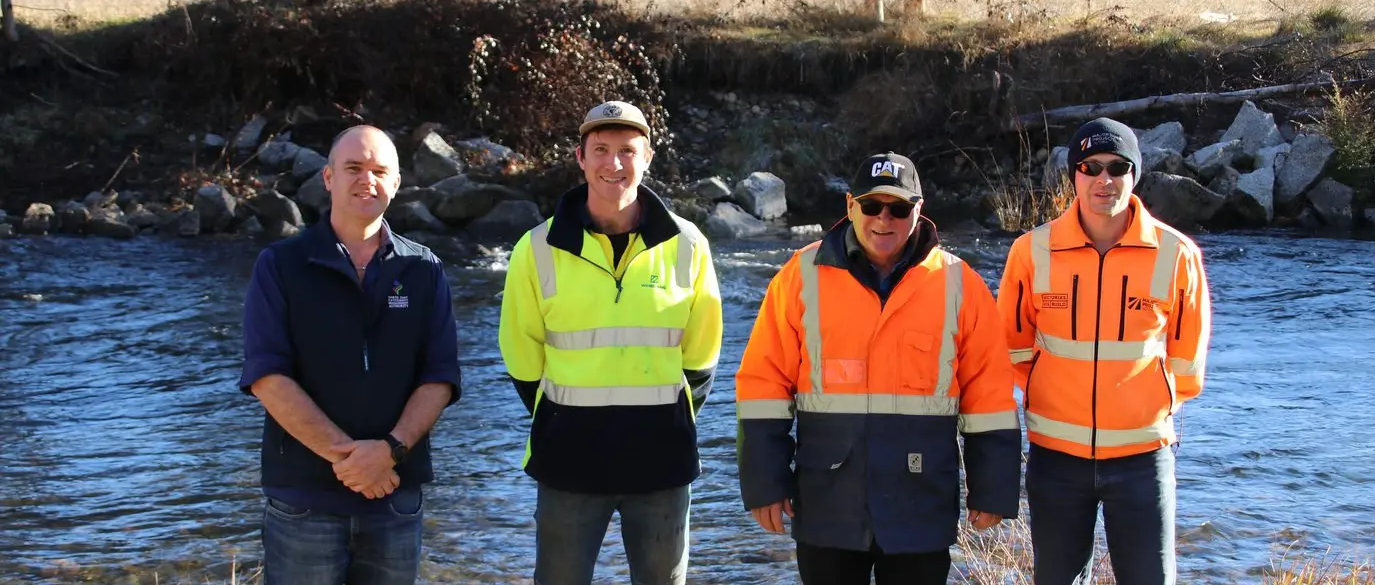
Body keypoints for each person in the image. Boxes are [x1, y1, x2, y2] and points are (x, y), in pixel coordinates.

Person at [736, 152, 1022, 585]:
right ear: (850, 205)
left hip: (919, 505)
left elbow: (990, 394)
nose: (883, 219)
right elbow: (763, 382)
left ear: (918, 210)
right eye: (871, 206)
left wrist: (993, 489)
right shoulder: (800, 275)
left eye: (899, 208)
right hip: (827, 503)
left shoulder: (960, 284)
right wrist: (765, 483)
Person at [497, 100, 724, 585]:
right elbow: (521, 356)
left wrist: (666, 418)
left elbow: (702, 358)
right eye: (600, 149)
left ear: (648, 156)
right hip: (568, 462)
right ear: (580, 158)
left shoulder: (689, 246)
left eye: (627, 150)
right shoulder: (534, 249)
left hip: (662, 463)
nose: (613, 164)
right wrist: (560, 418)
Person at [239, 125, 462, 585]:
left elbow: (439, 377)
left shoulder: (423, 269)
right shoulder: (281, 265)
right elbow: (268, 376)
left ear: (397, 183)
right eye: (354, 168)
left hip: (395, 495)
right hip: (304, 499)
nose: (368, 180)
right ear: (327, 177)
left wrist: (390, 452)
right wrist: (353, 462)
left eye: (380, 170)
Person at [998, 117, 1213, 585]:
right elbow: (1011, 350)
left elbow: (1188, 367)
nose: (1104, 180)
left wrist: (1140, 409)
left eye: (1117, 167)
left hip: (1143, 461)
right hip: (1055, 459)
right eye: (1090, 167)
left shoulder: (1176, 254)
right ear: (1073, 173)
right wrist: (1053, 397)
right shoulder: (1030, 251)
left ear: (1134, 175)